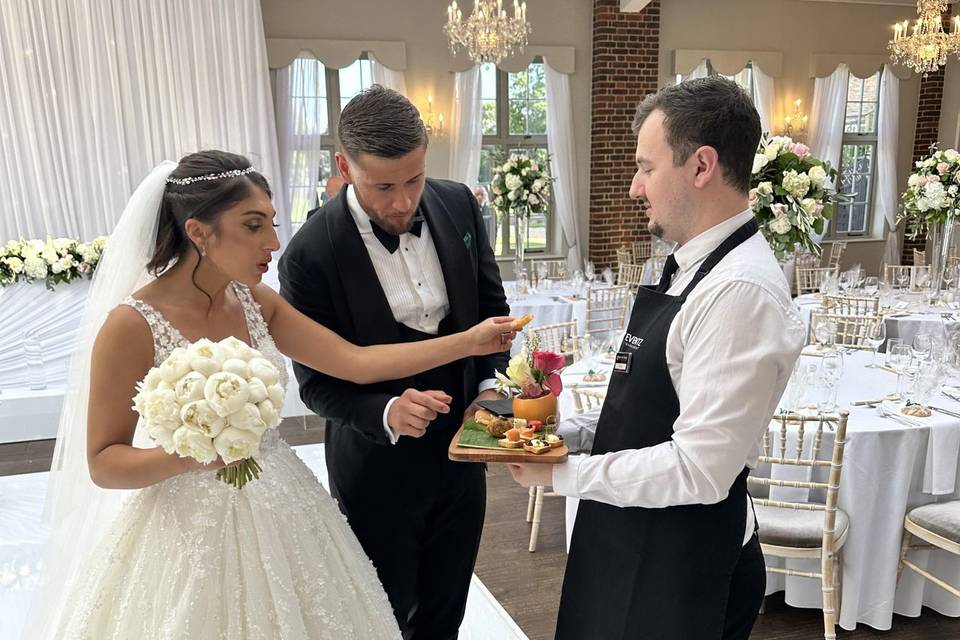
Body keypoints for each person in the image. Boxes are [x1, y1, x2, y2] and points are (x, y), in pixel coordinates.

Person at [25, 150, 516, 639]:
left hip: (284, 505)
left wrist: (470, 341)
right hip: (188, 529)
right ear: (198, 232)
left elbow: (357, 362)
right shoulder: (131, 325)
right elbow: (103, 462)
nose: (274, 242)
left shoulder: (252, 299)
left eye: (272, 222)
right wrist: (196, 454)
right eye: (253, 226)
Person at [509, 76, 805, 639]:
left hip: (680, 570)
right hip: (631, 543)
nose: (633, 188)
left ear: (701, 166)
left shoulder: (740, 290)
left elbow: (699, 469)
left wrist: (561, 475)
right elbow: (645, 411)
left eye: (646, 167)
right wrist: (560, 433)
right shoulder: (692, 265)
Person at [279, 85, 510, 640]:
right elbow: (315, 385)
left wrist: (488, 388)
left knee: (445, 610)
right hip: (375, 469)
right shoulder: (310, 254)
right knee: (381, 616)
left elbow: (493, 313)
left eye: (414, 179)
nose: (403, 201)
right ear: (343, 166)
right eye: (383, 186)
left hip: (462, 453)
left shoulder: (458, 205)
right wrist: (384, 412)